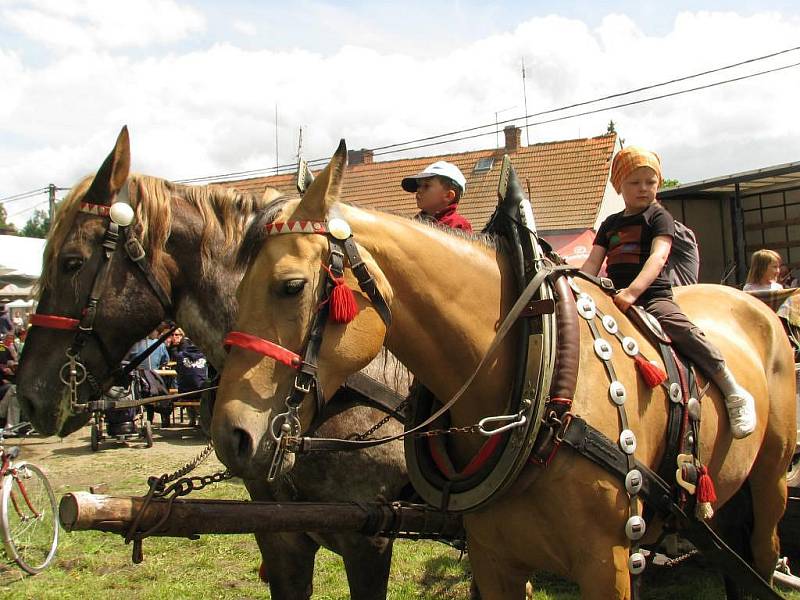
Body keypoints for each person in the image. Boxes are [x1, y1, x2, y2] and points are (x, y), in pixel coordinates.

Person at [582, 146, 756, 439]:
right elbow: (592, 263)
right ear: (619, 186)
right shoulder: (609, 224)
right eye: (634, 182)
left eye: (650, 182)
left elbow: (658, 258)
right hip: (614, 296)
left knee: (682, 329)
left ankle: (732, 389)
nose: (643, 189)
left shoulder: (658, 217)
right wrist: (580, 286)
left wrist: (633, 293)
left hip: (651, 296)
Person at [401, 161, 472, 231]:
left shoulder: (458, 226)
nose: (419, 189)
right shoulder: (412, 223)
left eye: (426, 186)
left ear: (448, 196)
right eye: (419, 185)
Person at [172, 334, 207, 428]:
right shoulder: (205, 356)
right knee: (202, 387)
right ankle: (201, 418)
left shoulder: (180, 356)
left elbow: (178, 371)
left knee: (186, 383)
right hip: (201, 392)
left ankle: (192, 418)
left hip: (184, 393)